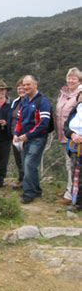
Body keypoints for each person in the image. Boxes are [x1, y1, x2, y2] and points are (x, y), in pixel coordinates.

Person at [14, 75, 53, 204]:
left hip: (38, 138)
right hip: (25, 138)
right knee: (28, 165)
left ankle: (28, 193)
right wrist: (16, 133)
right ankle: (36, 191)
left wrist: (28, 135)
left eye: (28, 84)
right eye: (24, 85)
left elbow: (44, 123)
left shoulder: (43, 101)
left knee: (29, 164)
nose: (26, 87)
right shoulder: (24, 101)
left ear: (35, 85)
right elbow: (19, 120)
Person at [56, 67, 82, 204]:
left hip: (76, 137)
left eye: (74, 78)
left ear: (79, 80)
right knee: (69, 164)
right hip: (65, 134)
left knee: (73, 164)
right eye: (69, 77)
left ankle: (72, 194)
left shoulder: (80, 94)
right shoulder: (64, 93)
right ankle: (70, 189)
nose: (70, 80)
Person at [63, 90, 82, 212]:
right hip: (76, 147)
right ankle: (77, 202)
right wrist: (73, 134)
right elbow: (66, 127)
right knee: (77, 174)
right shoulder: (75, 110)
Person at [9, 78, 26, 188]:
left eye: (23, 87)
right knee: (18, 158)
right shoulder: (15, 102)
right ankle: (21, 179)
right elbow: (12, 117)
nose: (21, 90)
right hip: (14, 135)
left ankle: (26, 182)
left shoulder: (31, 101)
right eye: (19, 88)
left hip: (25, 135)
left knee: (25, 159)